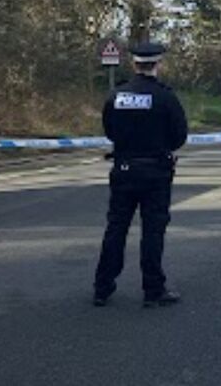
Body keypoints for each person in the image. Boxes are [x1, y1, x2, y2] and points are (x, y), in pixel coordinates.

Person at [93, 42, 188, 308]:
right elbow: (179, 135)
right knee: (153, 231)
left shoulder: (117, 95)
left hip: (123, 170)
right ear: (158, 64)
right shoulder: (165, 97)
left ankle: (102, 287)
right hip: (156, 172)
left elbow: (110, 131)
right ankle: (153, 290)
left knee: (116, 228)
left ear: (134, 64)